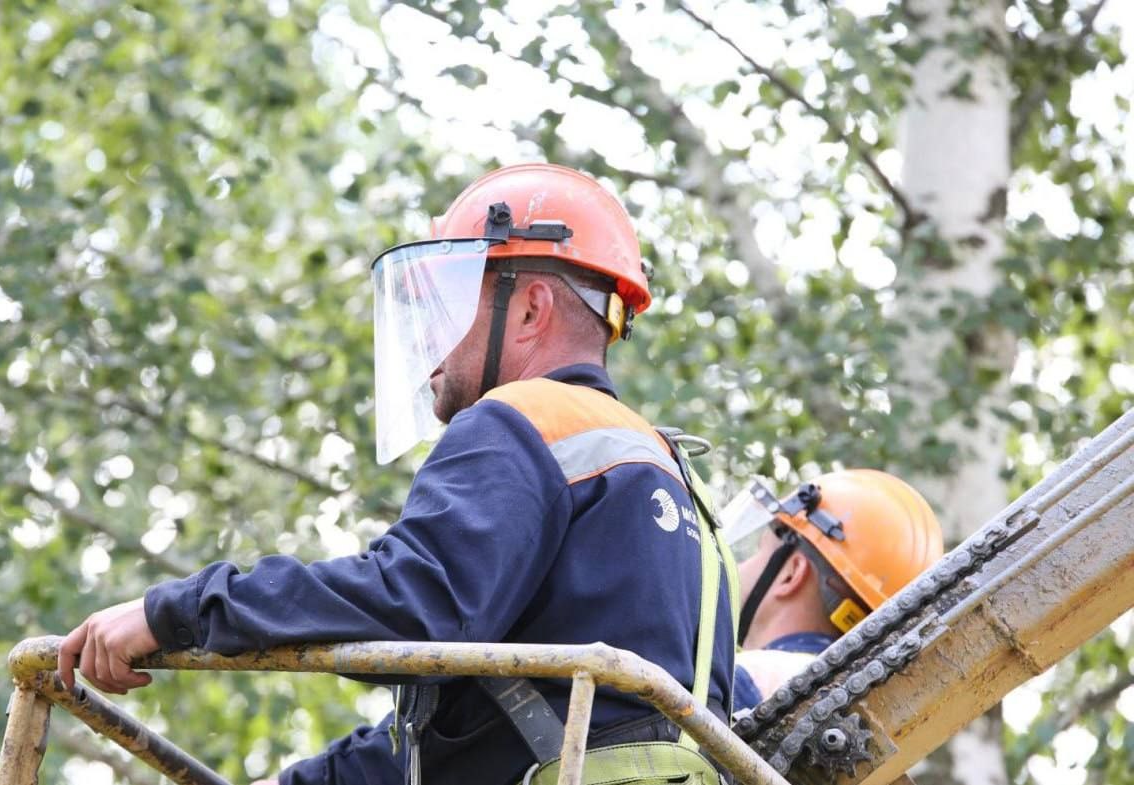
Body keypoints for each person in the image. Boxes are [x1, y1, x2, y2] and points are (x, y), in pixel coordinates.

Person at [56, 163, 739, 785]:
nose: (429, 341)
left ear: (531, 308)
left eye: (449, 301)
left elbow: (411, 604)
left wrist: (178, 610)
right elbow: (485, 722)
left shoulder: (522, 421)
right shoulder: (680, 488)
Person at [718, 469, 943, 712]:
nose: (741, 566)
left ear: (792, 574)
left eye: (759, 550)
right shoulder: (873, 709)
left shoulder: (738, 682)